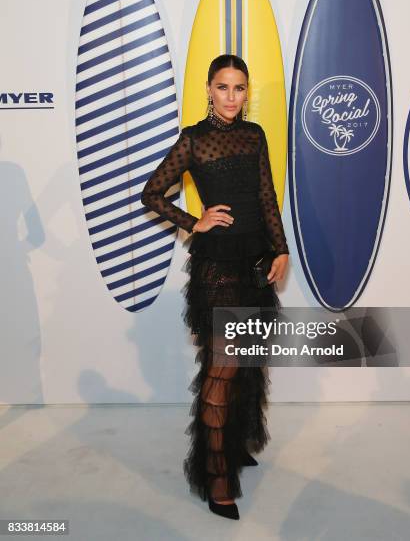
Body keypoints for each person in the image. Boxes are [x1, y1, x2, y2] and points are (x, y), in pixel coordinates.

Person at [140, 54, 289, 520]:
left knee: (246, 362)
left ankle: (236, 443)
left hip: (255, 263)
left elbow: (266, 196)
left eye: (239, 88)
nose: (231, 96)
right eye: (222, 87)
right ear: (208, 89)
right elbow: (151, 193)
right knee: (221, 371)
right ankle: (216, 475)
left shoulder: (255, 135)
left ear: (247, 92)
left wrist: (280, 248)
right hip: (218, 271)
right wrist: (194, 222)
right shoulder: (194, 141)